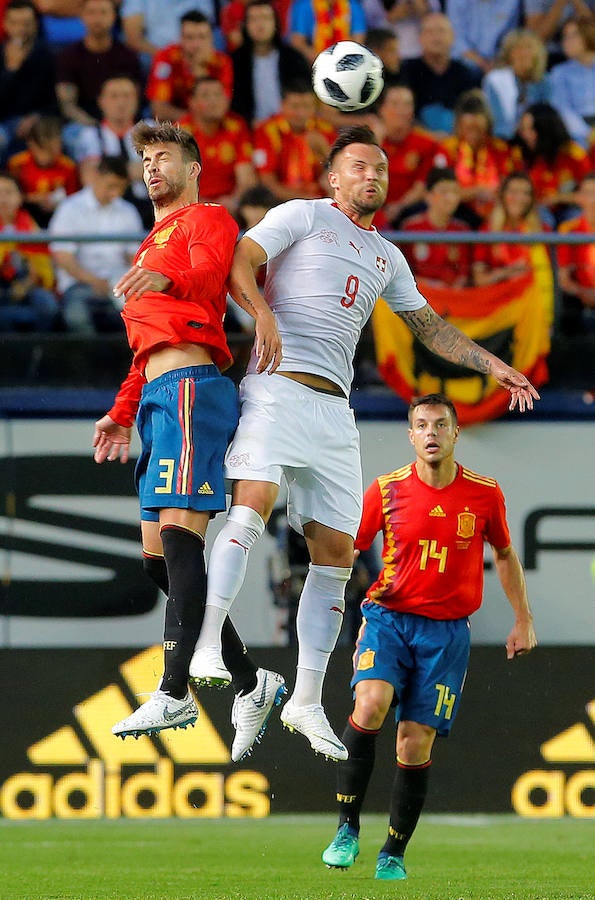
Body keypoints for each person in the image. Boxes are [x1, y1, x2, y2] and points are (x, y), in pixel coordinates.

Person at [188, 124, 540, 763]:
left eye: (379, 167)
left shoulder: (388, 256)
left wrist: (490, 364)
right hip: (277, 387)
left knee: (338, 554)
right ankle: (206, 641)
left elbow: (428, 326)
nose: (371, 175)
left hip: (333, 410)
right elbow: (240, 259)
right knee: (251, 505)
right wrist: (261, 313)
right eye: (357, 166)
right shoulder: (301, 215)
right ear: (333, 177)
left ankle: (305, 698)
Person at [91, 121, 285, 763]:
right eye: (145, 158)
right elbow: (142, 347)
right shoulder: (152, 241)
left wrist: (165, 282)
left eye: (164, 156)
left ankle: (174, 690)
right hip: (155, 396)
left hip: (192, 389)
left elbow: (205, 278)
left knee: (180, 537)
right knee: (157, 558)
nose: (151, 167)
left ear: (193, 166)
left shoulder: (206, 220)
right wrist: (122, 412)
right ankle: (253, 679)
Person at [321, 392, 537, 881]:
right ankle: (347, 829)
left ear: (456, 432)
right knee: (370, 705)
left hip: (446, 634)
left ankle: (392, 851)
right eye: (422, 425)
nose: (432, 433)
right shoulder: (387, 488)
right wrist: (325, 606)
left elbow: (504, 554)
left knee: (414, 745)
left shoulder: (484, 493)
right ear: (411, 434)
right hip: (389, 618)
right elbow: (349, 552)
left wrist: (523, 618)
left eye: (441, 424)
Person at [48, 155, 144, 334]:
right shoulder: (70, 208)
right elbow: (63, 258)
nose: (115, 193)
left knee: (143, 315)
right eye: (111, 186)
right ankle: (88, 361)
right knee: (77, 315)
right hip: (79, 284)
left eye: (121, 188)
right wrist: (94, 281)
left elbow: (135, 258)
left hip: (119, 284)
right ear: (96, 177)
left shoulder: (128, 211)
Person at [72, 74, 153, 229]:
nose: (121, 103)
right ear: (101, 101)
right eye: (114, 96)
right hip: (108, 212)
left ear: (137, 100)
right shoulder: (90, 134)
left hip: (150, 210)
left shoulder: (151, 130)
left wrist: (110, 171)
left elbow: (165, 172)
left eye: (127, 96)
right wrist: (139, 169)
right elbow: (90, 179)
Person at [55, 0, 143, 132]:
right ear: (82, 16)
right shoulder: (69, 57)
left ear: (114, 16)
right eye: (91, 13)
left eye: (103, 12)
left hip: (123, 121)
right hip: (84, 123)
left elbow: (134, 99)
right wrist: (96, 128)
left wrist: (116, 126)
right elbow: (68, 105)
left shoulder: (128, 56)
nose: (97, 19)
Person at [437, 88, 523, 222]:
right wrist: (476, 192)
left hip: (497, 211)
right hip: (456, 212)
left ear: (488, 126)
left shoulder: (501, 149)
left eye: (478, 129)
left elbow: (513, 186)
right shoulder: (448, 149)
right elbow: (439, 191)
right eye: (468, 128)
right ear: (459, 126)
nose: (474, 135)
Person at [177, 75, 257, 214]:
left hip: (230, 207)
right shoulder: (181, 132)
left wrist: (233, 201)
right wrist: (203, 206)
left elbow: (246, 178)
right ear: (192, 102)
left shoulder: (237, 127)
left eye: (218, 94)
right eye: (205, 95)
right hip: (192, 209)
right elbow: (176, 184)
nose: (214, 101)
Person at [230, 0, 310, 128]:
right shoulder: (235, 61)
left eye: (265, 18)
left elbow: (305, 96)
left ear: (275, 23)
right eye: (254, 19)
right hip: (249, 130)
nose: (260, 25)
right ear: (245, 25)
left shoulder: (293, 58)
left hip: (290, 127)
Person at [252, 78, 335, 201]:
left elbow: (338, 175)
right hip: (279, 202)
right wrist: (305, 202)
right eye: (295, 106)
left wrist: (325, 151)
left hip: (320, 201)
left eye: (306, 106)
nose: (301, 113)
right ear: (282, 105)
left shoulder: (325, 130)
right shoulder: (267, 131)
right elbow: (267, 182)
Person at [399, 12, 480, 136]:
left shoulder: (466, 73)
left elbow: (473, 112)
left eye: (441, 31)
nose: (436, 37)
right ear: (420, 38)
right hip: (415, 139)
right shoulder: (405, 70)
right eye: (430, 32)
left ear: (453, 37)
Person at [145, 11, 233, 122]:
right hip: (174, 128)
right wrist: (195, 122)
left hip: (210, 128)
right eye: (190, 38)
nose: (196, 44)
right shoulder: (166, 58)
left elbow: (222, 108)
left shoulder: (222, 62)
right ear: (180, 38)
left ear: (211, 38)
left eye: (202, 37)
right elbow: (159, 110)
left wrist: (201, 71)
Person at [514, 101, 591, 226]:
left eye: (531, 129)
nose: (525, 135)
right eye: (523, 129)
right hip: (536, 213)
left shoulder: (574, 155)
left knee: (574, 216)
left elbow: (590, 193)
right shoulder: (521, 155)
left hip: (569, 211)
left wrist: (559, 198)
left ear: (545, 129)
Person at [0, 169, 59, 331]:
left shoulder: (31, 227)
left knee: (48, 305)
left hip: (28, 287)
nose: (3, 199)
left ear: (20, 197)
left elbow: (44, 271)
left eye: (8, 192)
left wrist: (27, 283)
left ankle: (36, 351)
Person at [375, 83, 441, 227]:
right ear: (382, 109)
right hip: (373, 207)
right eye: (395, 104)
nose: (401, 111)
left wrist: (399, 206)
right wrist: (375, 144)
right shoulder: (368, 142)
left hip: (409, 210)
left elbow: (421, 185)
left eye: (407, 105)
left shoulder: (425, 143)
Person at [0, 0, 57, 165]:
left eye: (26, 24)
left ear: (35, 25)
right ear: (5, 24)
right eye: (14, 23)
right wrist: (11, 70)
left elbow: (55, 102)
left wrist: (35, 117)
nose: (20, 29)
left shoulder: (48, 56)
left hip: (39, 121)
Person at [401, 167, 472, 287]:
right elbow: (404, 275)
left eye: (455, 192)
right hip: (420, 297)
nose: (450, 198)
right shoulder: (411, 228)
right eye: (444, 192)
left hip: (453, 299)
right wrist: (432, 287)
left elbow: (463, 276)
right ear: (428, 196)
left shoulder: (462, 231)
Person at [7, 114, 79, 228]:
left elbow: (74, 199)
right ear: (32, 145)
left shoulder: (68, 166)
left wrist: (56, 202)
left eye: (53, 152)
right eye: (45, 150)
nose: (48, 157)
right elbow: (8, 194)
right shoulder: (17, 164)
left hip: (58, 215)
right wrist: (32, 199)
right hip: (25, 213)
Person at [482, 28, 551, 140]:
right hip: (505, 139)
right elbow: (495, 120)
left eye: (529, 47)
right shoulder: (494, 80)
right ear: (509, 54)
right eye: (518, 48)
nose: (524, 53)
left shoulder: (546, 81)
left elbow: (548, 116)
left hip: (538, 140)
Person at [557, 170, 595, 335]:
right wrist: (584, 293)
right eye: (588, 193)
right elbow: (563, 280)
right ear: (579, 197)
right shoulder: (568, 230)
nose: (593, 200)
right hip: (581, 304)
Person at [549, 16, 595, 150]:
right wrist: (587, 133)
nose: (565, 42)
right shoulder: (560, 72)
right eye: (564, 37)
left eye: (572, 36)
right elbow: (562, 108)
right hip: (578, 137)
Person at [445, 0, 522, 76]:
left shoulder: (511, 2)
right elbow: (455, 37)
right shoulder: (455, 2)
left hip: (498, 65)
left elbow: (510, 37)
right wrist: (482, 63)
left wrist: (497, 62)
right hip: (462, 63)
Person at [287, 0, 367, 65]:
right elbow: (297, 41)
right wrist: (318, 59)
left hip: (345, 63)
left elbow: (358, 41)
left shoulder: (352, 5)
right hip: (311, 64)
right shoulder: (303, 5)